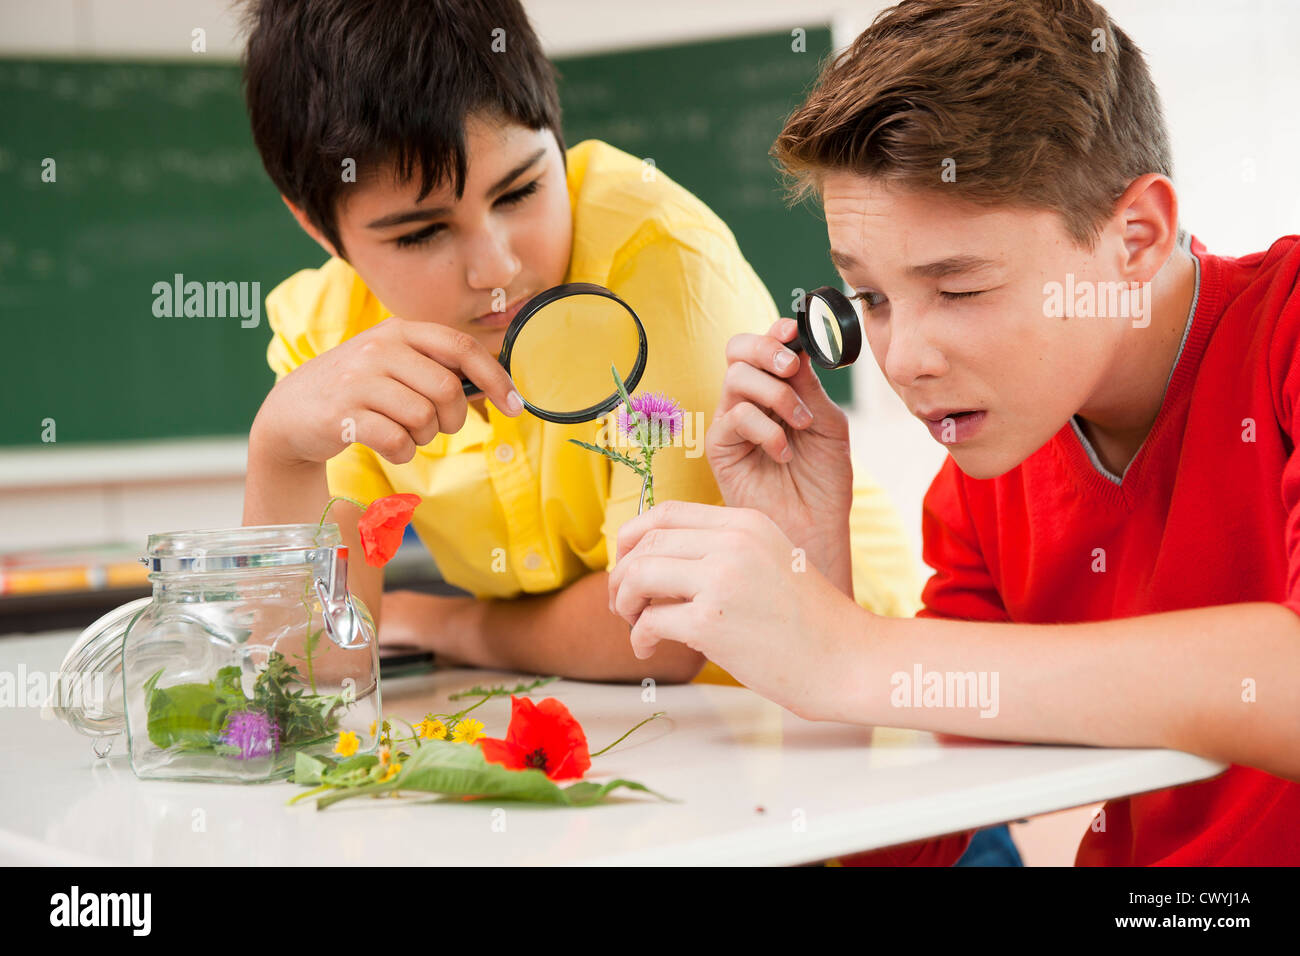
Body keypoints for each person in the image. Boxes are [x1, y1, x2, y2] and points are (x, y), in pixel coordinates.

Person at [608, 0, 1300, 865]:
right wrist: (813, 572)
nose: (903, 360)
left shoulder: (1286, 333)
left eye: (960, 289)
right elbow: (912, 851)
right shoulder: (982, 483)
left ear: (1136, 238)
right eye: (871, 299)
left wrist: (851, 651)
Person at [239, 0, 921, 686]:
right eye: (421, 233)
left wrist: (448, 623)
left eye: (521, 190)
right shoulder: (323, 329)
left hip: (829, 699)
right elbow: (313, 673)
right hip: (610, 714)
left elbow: (662, 629)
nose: (497, 268)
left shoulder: (660, 260)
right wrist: (278, 451)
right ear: (318, 229)